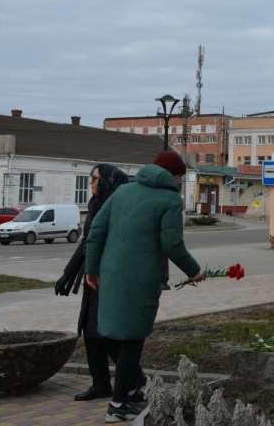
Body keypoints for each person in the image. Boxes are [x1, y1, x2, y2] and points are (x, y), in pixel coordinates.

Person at [86, 151, 205, 423]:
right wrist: (194, 271)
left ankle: (126, 395)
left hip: (110, 275)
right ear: (174, 175)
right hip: (140, 279)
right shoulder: (170, 199)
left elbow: (96, 232)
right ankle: (117, 406)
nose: (178, 181)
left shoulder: (122, 192)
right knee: (132, 340)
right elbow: (172, 244)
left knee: (119, 335)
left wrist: (91, 269)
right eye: (179, 176)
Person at [55, 164, 146, 402]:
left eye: (94, 178)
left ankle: (135, 377)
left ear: (107, 181)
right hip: (93, 275)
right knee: (89, 329)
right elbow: (87, 242)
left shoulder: (117, 205)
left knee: (104, 332)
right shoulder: (97, 203)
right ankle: (101, 384)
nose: (90, 183)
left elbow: (95, 242)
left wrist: (69, 272)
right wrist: (69, 274)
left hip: (109, 276)